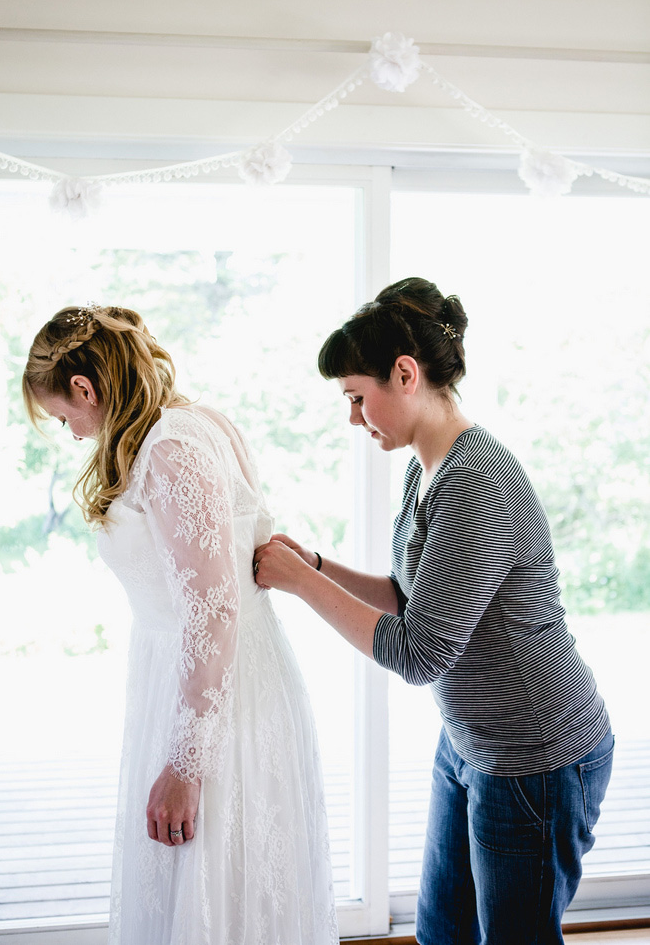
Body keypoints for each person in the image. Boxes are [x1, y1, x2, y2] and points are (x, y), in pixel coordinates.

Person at [254, 276, 613, 945]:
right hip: (470, 742)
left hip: (536, 755)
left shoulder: (475, 480)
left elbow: (420, 652)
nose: (354, 419)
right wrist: (319, 566)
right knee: (443, 931)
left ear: (405, 373)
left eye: (359, 399)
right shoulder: (428, 467)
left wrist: (302, 584)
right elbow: (409, 594)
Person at [23, 304, 338, 945]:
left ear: (85, 388)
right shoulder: (194, 424)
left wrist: (186, 761)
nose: (74, 433)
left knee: (213, 879)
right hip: (199, 676)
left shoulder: (171, 448)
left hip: (217, 694)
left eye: (64, 417)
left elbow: (212, 608)